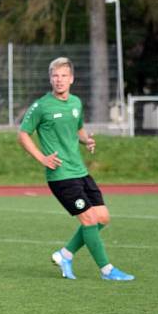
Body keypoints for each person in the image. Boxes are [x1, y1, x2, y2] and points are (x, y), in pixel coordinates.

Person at [18, 57, 134, 281]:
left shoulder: (76, 103)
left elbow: (78, 128)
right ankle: (107, 270)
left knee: (103, 217)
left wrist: (86, 140)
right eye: (55, 76)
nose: (59, 80)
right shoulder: (41, 106)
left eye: (63, 76)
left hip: (80, 171)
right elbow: (23, 134)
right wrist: (41, 157)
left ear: (71, 79)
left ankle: (65, 254)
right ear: (50, 79)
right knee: (89, 219)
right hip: (60, 175)